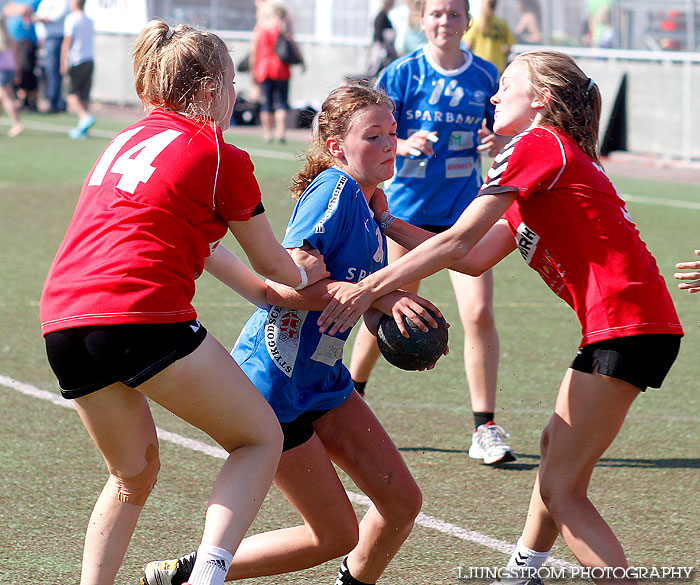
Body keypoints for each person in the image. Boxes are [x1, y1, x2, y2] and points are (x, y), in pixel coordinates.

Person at [317, 50, 683, 585]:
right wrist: (389, 221)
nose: (492, 95)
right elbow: (471, 257)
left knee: (562, 493)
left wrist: (368, 289)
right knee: (555, 450)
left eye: (506, 84)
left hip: (627, 326)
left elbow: (460, 239)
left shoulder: (538, 145)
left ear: (543, 100)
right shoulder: (545, 159)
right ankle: (522, 569)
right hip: (629, 327)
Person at [39, 19, 328, 585]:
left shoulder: (128, 136)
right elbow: (275, 266)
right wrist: (305, 272)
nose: (236, 92)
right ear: (208, 88)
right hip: (138, 316)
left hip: (63, 321)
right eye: (232, 80)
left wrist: (276, 286)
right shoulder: (221, 155)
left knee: (132, 473)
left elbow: (224, 263)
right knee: (259, 437)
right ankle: (209, 576)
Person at [140, 82, 440, 585]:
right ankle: (191, 573)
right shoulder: (336, 189)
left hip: (321, 376)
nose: (390, 143)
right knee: (334, 534)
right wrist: (379, 295)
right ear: (336, 147)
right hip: (275, 379)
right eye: (373, 136)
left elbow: (358, 292)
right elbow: (285, 282)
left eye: (392, 132)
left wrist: (395, 317)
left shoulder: (368, 203)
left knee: (401, 502)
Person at [349, 0, 516, 466]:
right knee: (387, 308)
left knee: (479, 312)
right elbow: (366, 132)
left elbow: (506, 133)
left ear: (468, 20)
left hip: (466, 217)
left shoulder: (485, 74)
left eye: (454, 13)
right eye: (436, 13)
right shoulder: (402, 73)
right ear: (421, 21)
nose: (445, 22)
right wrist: (401, 144)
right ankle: (350, 398)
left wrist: (497, 141)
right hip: (406, 219)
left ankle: (484, 426)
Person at [250, 1, 294, 143]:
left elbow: (254, 50)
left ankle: (268, 133)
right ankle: (281, 133)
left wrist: (253, 70)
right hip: (281, 68)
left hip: (264, 68)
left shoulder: (260, 26)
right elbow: (291, 42)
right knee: (282, 101)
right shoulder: (281, 25)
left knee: (267, 102)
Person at [60, 0, 94, 139]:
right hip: (89, 59)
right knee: (84, 94)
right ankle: (83, 128)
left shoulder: (71, 19)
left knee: (70, 93)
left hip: (76, 60)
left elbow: (67, 40)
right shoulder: (89, 20)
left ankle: (84, 117)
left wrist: (63, 61)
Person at [3, 0, 40, 110]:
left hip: (27, 39)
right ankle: (18, 96)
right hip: (11, 40)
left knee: (26, 68)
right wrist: (18, 10)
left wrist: (17, 9)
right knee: (15, 69)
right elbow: (6, 10)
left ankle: (29, 98)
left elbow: (27, 10)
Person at [34, 0, 69, 112]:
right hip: (46, 38)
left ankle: (55, 102)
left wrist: (38, 18)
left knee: (54, 70)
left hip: (56, 38)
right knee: (49, 71)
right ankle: (53, 100)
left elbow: (55, 17)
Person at [462, 0, 515, 73]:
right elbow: (508, 47)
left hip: (480, 66)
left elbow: (468, 45)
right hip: (497, 66)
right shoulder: (501, 24)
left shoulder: (476, 22)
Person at [0, 12, 24, 136]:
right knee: (4, 96)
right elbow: (16, 55)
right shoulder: (9, 38)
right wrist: (17, 69)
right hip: (10, 69)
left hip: (2, 70)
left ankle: (16, 123)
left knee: (7, 97)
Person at [367, 0, 397, 78]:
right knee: (375, 70)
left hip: (382, 48)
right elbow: (378, 35)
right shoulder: (381, 17)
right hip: (381, 49)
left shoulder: (384, 16)